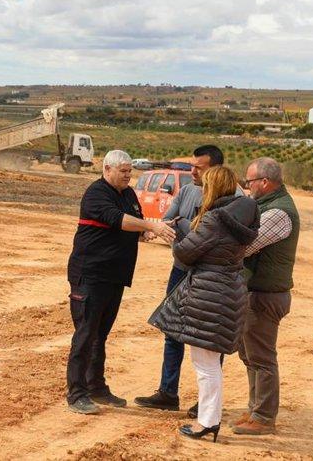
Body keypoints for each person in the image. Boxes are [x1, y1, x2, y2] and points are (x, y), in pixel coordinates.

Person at [149, 166, 259, 442]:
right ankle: (209, 419)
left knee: (205, 365)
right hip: (226, 291)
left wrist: (181, 232)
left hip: (209, 294)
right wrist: (190, 226)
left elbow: (186, 254)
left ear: (214, 188)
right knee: (210, 363)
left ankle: (208, 421)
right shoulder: (241, 216)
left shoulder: (214, 220)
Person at [66, 150, 176, 415]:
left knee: (99, 335)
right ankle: (76, 392)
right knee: (85, 334)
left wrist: (141, 234)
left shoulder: (127, 194)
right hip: (90, 274)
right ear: (107, 169)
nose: (129, 175)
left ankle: (96, 387)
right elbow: (118, 219)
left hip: (114, 276)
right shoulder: (96, 193)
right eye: (124, 171)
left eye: (130, 171)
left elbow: (124, 226)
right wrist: (152, 226)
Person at [135, 145, 240, 417]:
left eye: (199, 167)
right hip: (181, 270)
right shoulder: (187, 191)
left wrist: (189, 234)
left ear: (215, 169)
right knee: (172, 331)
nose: (192, 171)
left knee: (209, 339)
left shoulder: (235, 199)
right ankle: (168, 392)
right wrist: (184, 233)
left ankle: (204, 405)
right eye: (192, 166)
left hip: (211, 278)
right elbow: (168, 223)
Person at [232, 158, 299, 435]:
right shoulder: (266, 206)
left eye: (249, 182)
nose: (247, 187)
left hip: (265, 294)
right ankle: (254, 409)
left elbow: (246, 246)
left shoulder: (278, 213)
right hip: (257, 291)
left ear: (265, 182)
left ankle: (263, 417)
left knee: (261, 357)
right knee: (249, 355)